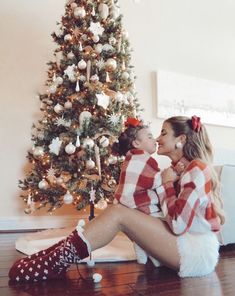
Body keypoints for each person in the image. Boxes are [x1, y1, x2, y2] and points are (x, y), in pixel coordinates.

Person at [9, 115, 224, 282]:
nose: (158, 138)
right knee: (121, 209)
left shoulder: (197, 170)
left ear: (181, 139)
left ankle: (55, 261)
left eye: (163, 133)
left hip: (195, 253)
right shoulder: (176, 170)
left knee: (118, 213)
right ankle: (53, 257)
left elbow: (177, 224)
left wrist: (167, 183)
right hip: (183, 242)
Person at [112, 117, 183, 266]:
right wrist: (173, 174)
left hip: (131, 206)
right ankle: (150, 248)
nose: (155, 140)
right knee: (162, 222)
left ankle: (143, 245)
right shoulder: (140, 158)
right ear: (136, 143)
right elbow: (156, 180)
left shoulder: (133, 158)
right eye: (150, 137)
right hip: (140, 206)